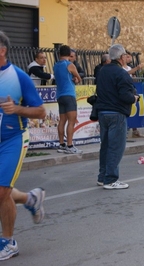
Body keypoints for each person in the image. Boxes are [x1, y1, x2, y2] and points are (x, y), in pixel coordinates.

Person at [0, 30, 47, 260]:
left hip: (13, 139)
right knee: (2, 191)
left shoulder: (18, 77)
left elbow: (41, 111)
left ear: (2, 50)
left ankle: (8, 242)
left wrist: (16, 109)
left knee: (1, 191)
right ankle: (31, 199)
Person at [95, 44, 139, 189]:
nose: (127, 58)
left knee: (106, 146)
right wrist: (134, 98)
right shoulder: (122, 74)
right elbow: (125, 96)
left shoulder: (102, 71)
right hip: (117, 113)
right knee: (116, 147)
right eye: (125, 55)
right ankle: (111, 179)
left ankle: (102, 176)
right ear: (121, 58)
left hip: (103, 112)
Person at [53, 45, 83, 154]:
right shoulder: (70, 65)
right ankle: (70, 145)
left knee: (62, 121)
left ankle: (61, 144)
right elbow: (79, 78)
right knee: (71, 121)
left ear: (59, 54)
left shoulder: (55, 65)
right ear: (69, 54)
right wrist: (75, 78)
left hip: (60, 95)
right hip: (69, 94)